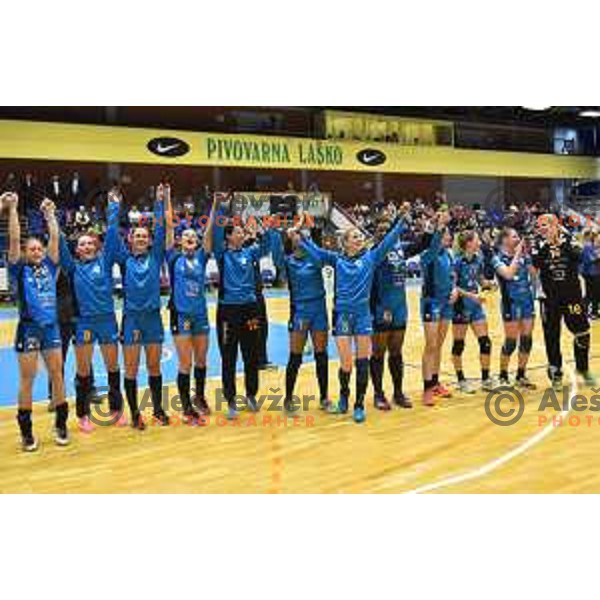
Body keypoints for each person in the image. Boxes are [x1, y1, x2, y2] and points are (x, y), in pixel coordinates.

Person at [296, 205, 409, 423]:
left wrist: (401, 219)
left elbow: (389, 240)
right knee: (346, 364)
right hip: (342, 316)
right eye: (354, 236)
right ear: (345, 242)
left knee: (362, 361)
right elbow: (314, 251)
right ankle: (344, 396)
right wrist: (301, 233)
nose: (359, 239)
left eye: (360, 236)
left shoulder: (371, 258)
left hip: (363, 317)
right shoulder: (336, 259)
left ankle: (358, 404)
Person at [4, 192, 69, 451]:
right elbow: (14, 238)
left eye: (39, 248)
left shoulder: (51, 267)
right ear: (24, 252)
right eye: (32, 249)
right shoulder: (18, 268)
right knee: (27, 379)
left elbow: (54, 237)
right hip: (28, 329)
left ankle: (61, 424)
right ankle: (26, 432)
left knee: (57, 374)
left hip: (51, 328)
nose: (37, 251)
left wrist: (50, 214)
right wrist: (13, 209)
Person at [58, 190, 127, 432]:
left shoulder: (105, 261)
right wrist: (50, 218)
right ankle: (83, 414)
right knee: (83, 371)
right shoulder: (72, 267)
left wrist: (113, 208)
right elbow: (59, 245)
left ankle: (117, 410)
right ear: (77, 250)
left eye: (89, 243)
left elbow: (111, 234)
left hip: (107, 321)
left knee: (113, 368)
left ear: (96, 247)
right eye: (82, 244)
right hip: (84, 323)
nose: (86, 246)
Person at [204, 196, 274, 419]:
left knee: (251, 354)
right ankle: (231, 400)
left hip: (250, 310)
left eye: (243, 232)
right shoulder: (222, 253)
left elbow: (267, 244)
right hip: (227, 312)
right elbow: (215, 229)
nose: (242, 234)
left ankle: (251, 395)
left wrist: (267, 225)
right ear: (228, 237)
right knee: (229, 356)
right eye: (237, 232)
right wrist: (221, 207)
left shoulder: (251, 252)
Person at [111, 185, 168, 428]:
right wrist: (114, 207)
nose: (141, 238)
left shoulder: (155, 257)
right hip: (132, 319)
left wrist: (159, 202)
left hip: (153, 318)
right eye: (137, 236)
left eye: (145, 236)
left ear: (150, 240)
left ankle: (157, 409)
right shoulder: (124, 260)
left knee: (154, 366)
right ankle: (135, 413)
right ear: (131, 240)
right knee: (132, 369)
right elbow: (112, 234)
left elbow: (162, 228)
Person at [164, 184, 210, 425]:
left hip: (201, 314)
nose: (190, 239)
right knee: (185, 362)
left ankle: (200, 397)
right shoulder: (173, 257)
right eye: (186, 237)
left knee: (202, 361)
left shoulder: (202, 256)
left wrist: (216, 208)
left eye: (193, 237)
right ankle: (186, 408)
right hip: (181, 315)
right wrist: (168, 198)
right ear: (180, 242)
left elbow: (210, 233)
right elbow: (169, 226)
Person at [271, 226, 330, 413]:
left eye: (304, 235)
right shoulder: (288, 262)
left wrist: (305, 237)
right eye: (297, 235)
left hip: (319, 310)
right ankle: (288, 399)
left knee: (321, 355)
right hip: (300, 311)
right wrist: (276, 231)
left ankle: (324, 398)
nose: (301, 237)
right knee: (295, 357)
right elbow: (275, 253)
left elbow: (319, 257)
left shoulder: (315, 258)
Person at [532, 215, 595, 388]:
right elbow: (535, 263)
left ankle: (583, 368)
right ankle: (556, 372)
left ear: (555, 225)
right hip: (549, 299)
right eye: (538, 226)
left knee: (582, 332)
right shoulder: (537, 243)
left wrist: (561, 243)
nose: (540, 229)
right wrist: (548, 244)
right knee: (551, 335)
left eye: (543, 225)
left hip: (572, 296)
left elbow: (579, 255)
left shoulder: (569, 238)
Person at [369, 216, 413, 410]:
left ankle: (398, 392)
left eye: (387, 229)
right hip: (381, 308)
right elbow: (369, 287)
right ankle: (378, 394)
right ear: (375, 233)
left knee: (396, 352)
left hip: (400, 307)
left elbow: (421, 245)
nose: (383, 232)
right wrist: (376, 309)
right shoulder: (373, 253)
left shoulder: (400, 251)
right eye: (379, 229)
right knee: (378, 352)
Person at [420, 210, 459, 407]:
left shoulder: (449, 255)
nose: (449, 238)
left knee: (440, 345)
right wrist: (439, 224)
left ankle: (435, 383)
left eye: (449, 236)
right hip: (431, 302)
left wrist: (454, 290)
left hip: (446, 303)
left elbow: (453, 276)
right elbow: (434, 243)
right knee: (431, 345)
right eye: (445, 235)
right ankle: (426, 388)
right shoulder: (428, 254)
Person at [492, 228, 536, 388]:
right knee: (511, 342)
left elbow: (535, 274)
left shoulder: (525, 256)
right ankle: (503, 375)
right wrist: (518, 254)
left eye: (518, 236)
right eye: (514, 236)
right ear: (504, 240)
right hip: (510, 303)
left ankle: (521, 375)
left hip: (527, 302)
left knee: (526, 340)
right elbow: (509, 274)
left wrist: (530, 255)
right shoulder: (497, 258)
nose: (518, 239)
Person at [451, 231, 494, 393]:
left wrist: (489, 284)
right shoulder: (456, 262)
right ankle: (461, 380)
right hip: (461, 306)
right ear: (469, 243)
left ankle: (485, 379)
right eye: (477, 239)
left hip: (476, 307)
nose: (479, 242)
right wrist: (472, 296)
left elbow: (480, 280)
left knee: (485, 342)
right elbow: (453, 287)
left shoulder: (478, 259)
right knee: (459, 345)